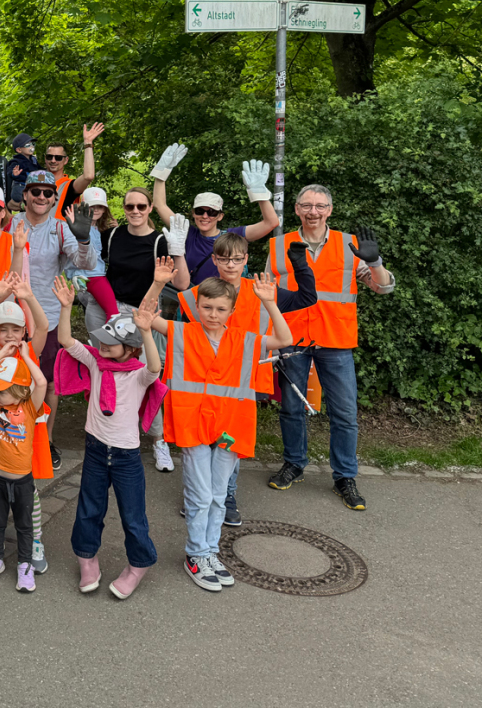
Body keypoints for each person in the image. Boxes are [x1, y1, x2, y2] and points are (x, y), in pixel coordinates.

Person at [141, 265, 292, 591]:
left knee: (218, 496)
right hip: (193, 423)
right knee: (200, 495)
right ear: (197, 307)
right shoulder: (183, 333)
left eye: (221, 309)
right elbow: (144, 317)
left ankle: (209, 552)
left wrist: (269, 303)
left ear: (232, 311)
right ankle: (196, 554)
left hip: (229, 427)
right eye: (206, 307)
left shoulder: (244, 339)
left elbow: (285, 339)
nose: (212, 313)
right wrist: (157, 284)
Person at [266, 184, 395, 510]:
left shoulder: (350, 245)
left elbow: (384, 288)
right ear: (296, 209)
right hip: (292, 338)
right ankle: (294, 463)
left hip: (336, 339)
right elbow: (266, 296)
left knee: (344, 412)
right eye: (307, 205)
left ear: (330, 210)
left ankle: (344, 476)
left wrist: (375, 261)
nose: (313, 211)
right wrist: (268, 340)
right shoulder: (279, 246)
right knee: (292, 407)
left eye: (320, 206)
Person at [178, 232, 317, 524]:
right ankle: (198, 493)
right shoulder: (199, 293)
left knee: (230, 442)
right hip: (207, 379)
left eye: (237, 259)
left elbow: (307, 297)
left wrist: (299, 265)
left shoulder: (260, 289)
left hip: (245, 381)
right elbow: (186, 337)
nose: (231, 265)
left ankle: (226, 495)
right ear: (215, 260)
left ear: (245, 260)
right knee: (205, 440)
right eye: (225, 259)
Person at [53, 277, 163, 601]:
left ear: (129, 349)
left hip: (126, 456)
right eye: (101, 340)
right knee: (88, 509)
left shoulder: (138, 373)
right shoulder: (96, 363)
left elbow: (155, 367)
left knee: (132, 514)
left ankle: (138, 564)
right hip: (96, 450)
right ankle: (87, 559)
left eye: (110, 343)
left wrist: (145, 329)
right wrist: (63, 307)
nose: (102, 346)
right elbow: (65, 340)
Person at [94, 186, 191, 472]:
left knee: (148, 377)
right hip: (112, 311)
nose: (135, 211)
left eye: (141, 206)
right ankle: (114, 437)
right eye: (129, 207)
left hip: (146, 312)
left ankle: (158, 441)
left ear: (150, 208)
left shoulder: (161, 240)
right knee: (112, 376)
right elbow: (93, 268)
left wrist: (178, 251)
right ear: (122, 209)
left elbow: (183, 284)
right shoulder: (111, 236)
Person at [9, 171, 96, 468]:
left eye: (48, 192)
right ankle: (11, 435)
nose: (41, 197)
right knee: (9, 379)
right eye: (36, 191)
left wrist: (83, 239)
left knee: (47, 383)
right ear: (25, 194)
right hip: (10, 316)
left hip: (45, 316)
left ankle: (45, 439)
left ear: (55, 198)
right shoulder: (10, 223)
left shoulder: (61, 228)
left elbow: (86, 263)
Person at [0, 275, 54, 574]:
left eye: (15, 329)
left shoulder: (29, 351)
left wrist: (28, 297)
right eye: (2, 328)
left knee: (28, 492)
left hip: (28, 428)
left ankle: (36, 541)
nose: (8, 334)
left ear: (23, 330)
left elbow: (43, 327)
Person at [0, 343, 48, 592]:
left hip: (22, 482)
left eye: (1, 391)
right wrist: (2, 354)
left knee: (25, 526)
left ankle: (25, 564)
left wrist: (26, 357)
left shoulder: (29, 407)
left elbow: (42, 384)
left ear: (19, 391)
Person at [150, 143, 280, 283]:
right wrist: (161, 174)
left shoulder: (233, 236)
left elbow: (271, 222)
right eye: (200, 211)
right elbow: (159, 205)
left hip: (229, 300)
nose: (205, 216)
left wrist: (260, 194)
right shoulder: (186, 233)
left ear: (220, 216)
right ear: (193, 213)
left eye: (211, 212)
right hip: (196, 300)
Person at [63, 187, 120, 319]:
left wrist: (115, 231)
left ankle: (102, 338)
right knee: (113, 314)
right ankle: (110, 339)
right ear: (82, 207)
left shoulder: (98, 229)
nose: (96, 209)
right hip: (92, 277)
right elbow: (72, 251)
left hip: (98, 275)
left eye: (100, 206)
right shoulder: (74, 227)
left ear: (105, 209)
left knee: (104, 314)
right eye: (91, 206)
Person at [42, 123, 104, 220]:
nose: (53, 160)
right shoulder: (35, 180)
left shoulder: (69, 186)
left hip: (58, 233)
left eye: (58, 158)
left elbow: (88, 176)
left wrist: (88, 143)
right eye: (50, 157)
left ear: (66, 160)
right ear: (45, 158)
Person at [5, 133, 39, 210]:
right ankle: (25, 206)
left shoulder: (33, 160)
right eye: (28, 145)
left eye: (32, 144)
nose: (31, 147)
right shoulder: (16, 161)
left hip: (30, 187)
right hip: (20, 188)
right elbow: (10, 171)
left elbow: (40, 171)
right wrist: (14, 174)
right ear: (19, 150)